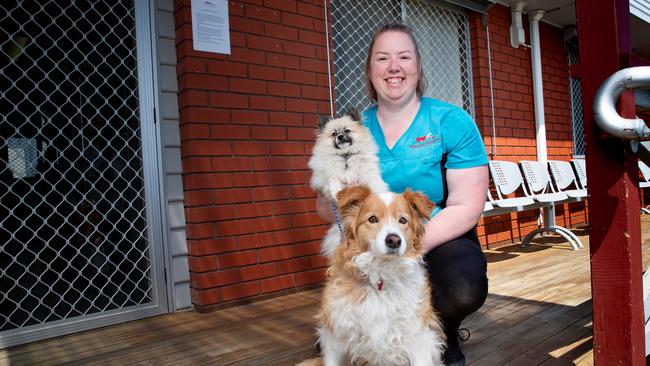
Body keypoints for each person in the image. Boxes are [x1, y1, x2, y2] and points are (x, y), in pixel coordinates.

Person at [316, 23, 489, 366]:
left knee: (461, 284)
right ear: (370, 70)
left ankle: (439, 332)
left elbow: (467, 206)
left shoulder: (451, 120)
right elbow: (325, 207)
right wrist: (335, 195)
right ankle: (360, 332)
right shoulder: (349, 130)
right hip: (369, 237)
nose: (393, 67)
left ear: (417, 67)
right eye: (382, 58)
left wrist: (409, 246)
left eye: (403, 57)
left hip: (436, 233)